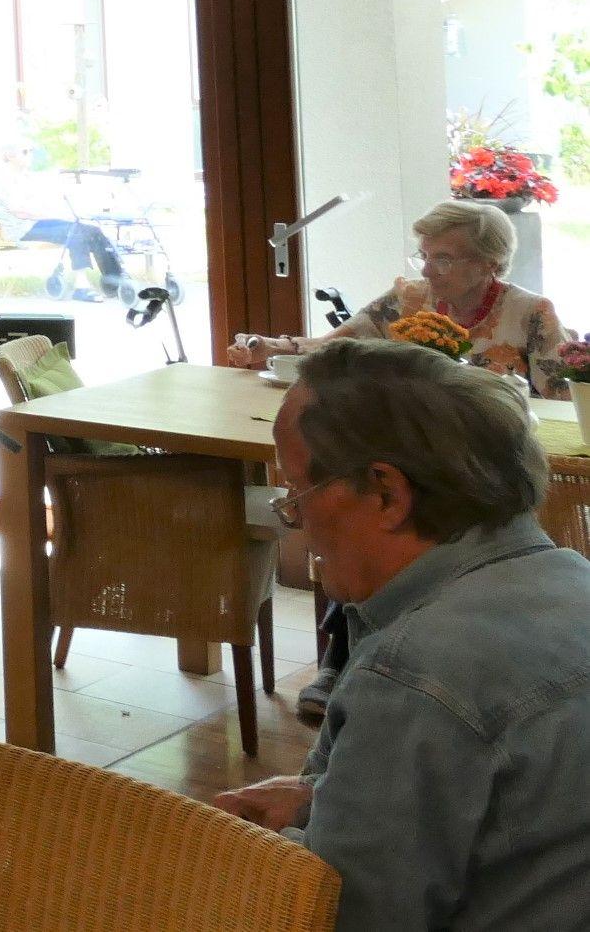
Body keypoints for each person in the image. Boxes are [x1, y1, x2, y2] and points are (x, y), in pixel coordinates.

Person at [214, 339, 590, 932]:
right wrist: (325, 799)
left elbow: (344, 920)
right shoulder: (574, 579)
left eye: (299, 494)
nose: (296, 522)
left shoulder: (413, 675)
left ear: (387, 494)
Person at [225, 198, 573, 715]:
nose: (428, 270)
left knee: (397, 513)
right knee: (364, 512)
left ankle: (388, 657)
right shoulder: (409, 300)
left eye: (443, 258)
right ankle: (344, 654)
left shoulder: (530, 312)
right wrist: (271, 347)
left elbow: (561, 398)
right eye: (424, 255)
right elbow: (335, 348)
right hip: (417, 461)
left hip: (486, 467)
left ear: (489, 262)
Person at [0, 140, 128, 301]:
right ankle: (81, 287)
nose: (30, 155)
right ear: (9, 155)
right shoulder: (1, 179)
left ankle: (115, 284)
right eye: (25, 151)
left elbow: (43, 202)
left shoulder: (27, 177)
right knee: (76, 232)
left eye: (31, 151)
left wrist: (60, 211)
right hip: (21, 229)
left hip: (38, 223)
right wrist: (55, 214)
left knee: (93, 230)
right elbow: (19, 211)